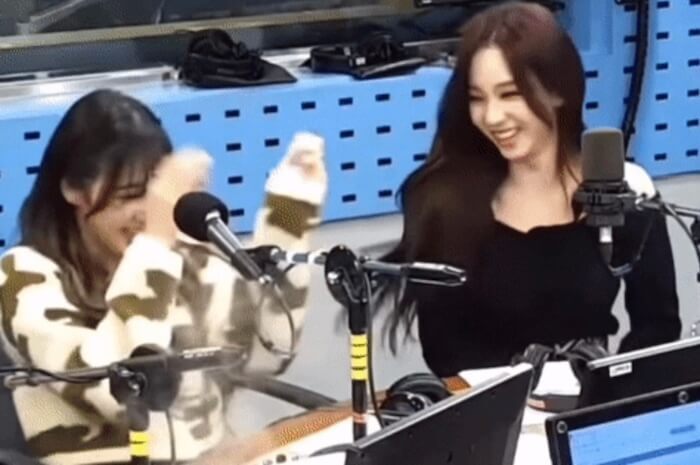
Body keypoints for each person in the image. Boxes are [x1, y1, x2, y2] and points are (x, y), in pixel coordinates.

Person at [0, 89, 328, 464]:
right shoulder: (24, 275)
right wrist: (156, 240)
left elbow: (264, 354)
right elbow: (118, 391)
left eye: (155, 195)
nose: (148, 211)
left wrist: (287, 218)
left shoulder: (183, 259)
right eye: (129, 195)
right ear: (73, 189)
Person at [378, 1, 681, 377]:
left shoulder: (624, 193)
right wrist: (522, 389)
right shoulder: (442, 199)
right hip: (491, 406)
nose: (492, 117)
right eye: (477, 98)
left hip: (592, 402)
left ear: (558, 91)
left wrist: (606, 386)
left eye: (510, 94)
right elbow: (445, 351)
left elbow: (658, 328)